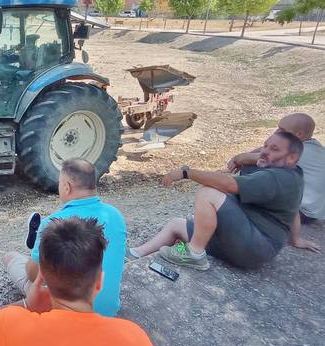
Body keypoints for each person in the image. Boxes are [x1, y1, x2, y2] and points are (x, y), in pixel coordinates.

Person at [0, 217, 161, 346]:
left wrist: (25, 305)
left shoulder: (8, 328)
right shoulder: (136, 339)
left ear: (42, 279)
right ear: (99, 282)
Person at [128, 131, 304, 270]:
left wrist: (186, 173)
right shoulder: (293, 174)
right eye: (265, 146)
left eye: (274, 149)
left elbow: (228, 184)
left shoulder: (278, 178)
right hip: (244, 242)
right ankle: (135, 254)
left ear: (292, 158)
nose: (264, 152)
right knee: (176, 225)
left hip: (255, 245)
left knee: (209, 192)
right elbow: (294, 210)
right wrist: (296, 239)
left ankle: (194, 253)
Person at [3, 158, 127, 317]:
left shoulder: (54, 223)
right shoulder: (115, 216)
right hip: (108, 311)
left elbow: (34, 275)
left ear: (67, 187)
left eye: (60, 184)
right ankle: (38, 248)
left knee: (10, 257)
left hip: (66, 309)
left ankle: (37, 247)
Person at [227, 113, 323, 253]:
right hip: (312, 212)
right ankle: (184, 249)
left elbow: (247, 159)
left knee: (253, 167)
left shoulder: (295, 154)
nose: (277, 132)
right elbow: (264, 150)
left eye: (282, 130)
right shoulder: (313, 147)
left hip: (300, 211)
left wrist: (236, 159)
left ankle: (182, 250)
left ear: (299, 134)